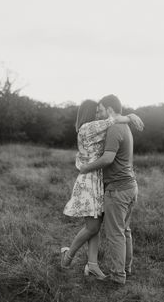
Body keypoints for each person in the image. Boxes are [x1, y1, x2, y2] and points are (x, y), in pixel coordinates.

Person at [61, 99, 143, 280]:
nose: (99, 114)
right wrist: (130, 116)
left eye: (100, 111)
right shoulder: (87, 128)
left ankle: (92, 265)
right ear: (90, 114)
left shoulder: (99, 128)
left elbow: (109, 129)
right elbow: (112, 120)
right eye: (96, 112)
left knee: (96, 226)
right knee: (92, 227)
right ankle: (68, 256)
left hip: (100, 181)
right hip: (90, 181)